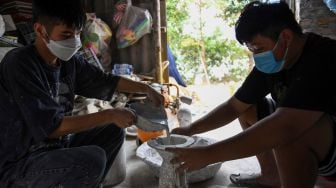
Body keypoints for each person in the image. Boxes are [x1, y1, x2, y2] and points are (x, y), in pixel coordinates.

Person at [166, 1, 336, 188]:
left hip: (329, 152)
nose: (257, 56)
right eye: (252, 51)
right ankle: (271, 175)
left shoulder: (323, 57)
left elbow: (286, 126)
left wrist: (208, 155)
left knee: (284, 133)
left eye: (259, 49)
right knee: (250, 108)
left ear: (286, 37)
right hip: (320, 141)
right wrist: (190, 130)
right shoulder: (278, 61)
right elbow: (234, 106)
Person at [0, 0, 164, 187]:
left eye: (77, 34)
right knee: (92, 160)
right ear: (40, 30)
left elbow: (106, 80)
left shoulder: (69, 62)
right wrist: (110, 114)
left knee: (113, 131)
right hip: (20, 162)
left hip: (54, 147)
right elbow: (52, 127)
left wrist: (146, 88)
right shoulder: (19, 64)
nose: (74, 41)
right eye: (66, 34)